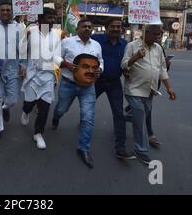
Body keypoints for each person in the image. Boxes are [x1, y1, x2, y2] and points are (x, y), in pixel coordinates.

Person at [51, 18, 103, 169]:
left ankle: (84, 148)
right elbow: (55, 56)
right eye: (84, 26)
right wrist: (66, 64)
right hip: (68, 83)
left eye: (89, 26)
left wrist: (100, 69)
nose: (87, 28)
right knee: (61, 109)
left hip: (88, 86)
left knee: (88, 117)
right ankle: (56, 117)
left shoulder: (96, 45)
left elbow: (100, 61)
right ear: (78, 28)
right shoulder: (67, 42)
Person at [121, 25, 176, 165]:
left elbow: (162, 70)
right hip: (133, 89)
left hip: (150, 91)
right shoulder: (132, 46)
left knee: (140, 116)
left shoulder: (158, 48)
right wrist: (136, 57)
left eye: (159, 35)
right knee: (140, 119)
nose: (157, 37)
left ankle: (124, 117)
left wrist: (169, 88)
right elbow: (124, 65)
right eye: (154, 34)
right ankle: (141, 150)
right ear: (146, 32)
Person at [91, 18, 136, 160]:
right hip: (96, 81)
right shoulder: (95, 39)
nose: (116, 29)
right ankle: (80, 119)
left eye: (119, 27)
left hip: (114, 83)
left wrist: (126, 72)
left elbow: (124, 63)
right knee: (88, 107)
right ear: (106, 28)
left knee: (119, 114)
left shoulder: (125, 44)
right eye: (113, 26)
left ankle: (120, 148)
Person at [20, 7, 61, 150]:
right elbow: (22, 52)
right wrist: (23, 66)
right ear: (41, 19)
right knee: (29, 103)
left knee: (44, 108)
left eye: (53, 18)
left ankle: (38, 133)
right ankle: (25, 111)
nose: (52, 21)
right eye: (49, 18)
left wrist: (65, 64)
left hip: (48, 77)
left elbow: (57, 56)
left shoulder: (56, 36)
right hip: (32, 76)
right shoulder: (31, 33)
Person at [0, 2, 24, 146]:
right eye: (3, 10)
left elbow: (24, 49)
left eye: (8, 10)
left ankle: (5, 107)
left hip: (13, 68)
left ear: (12, 12)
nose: (6, 12)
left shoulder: (19, 28)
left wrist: (23, 64)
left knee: (13, 99)